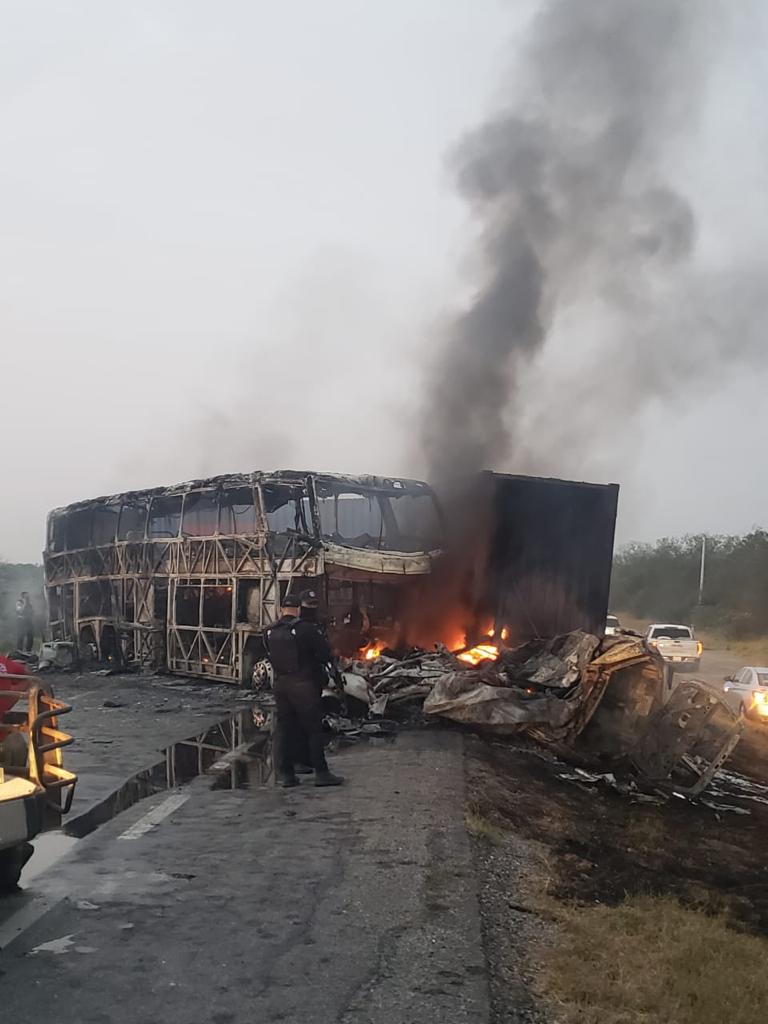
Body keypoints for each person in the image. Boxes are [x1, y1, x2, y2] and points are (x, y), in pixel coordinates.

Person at [266, 589, 344, 789]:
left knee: (285, 729)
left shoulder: (270, 631)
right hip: (303, 686)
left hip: (281, 686)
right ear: (298, 609)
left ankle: (287, 775)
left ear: (282, 609)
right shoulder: (306, 629)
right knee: (313, 729)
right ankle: (322, 773)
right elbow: (325, 654)